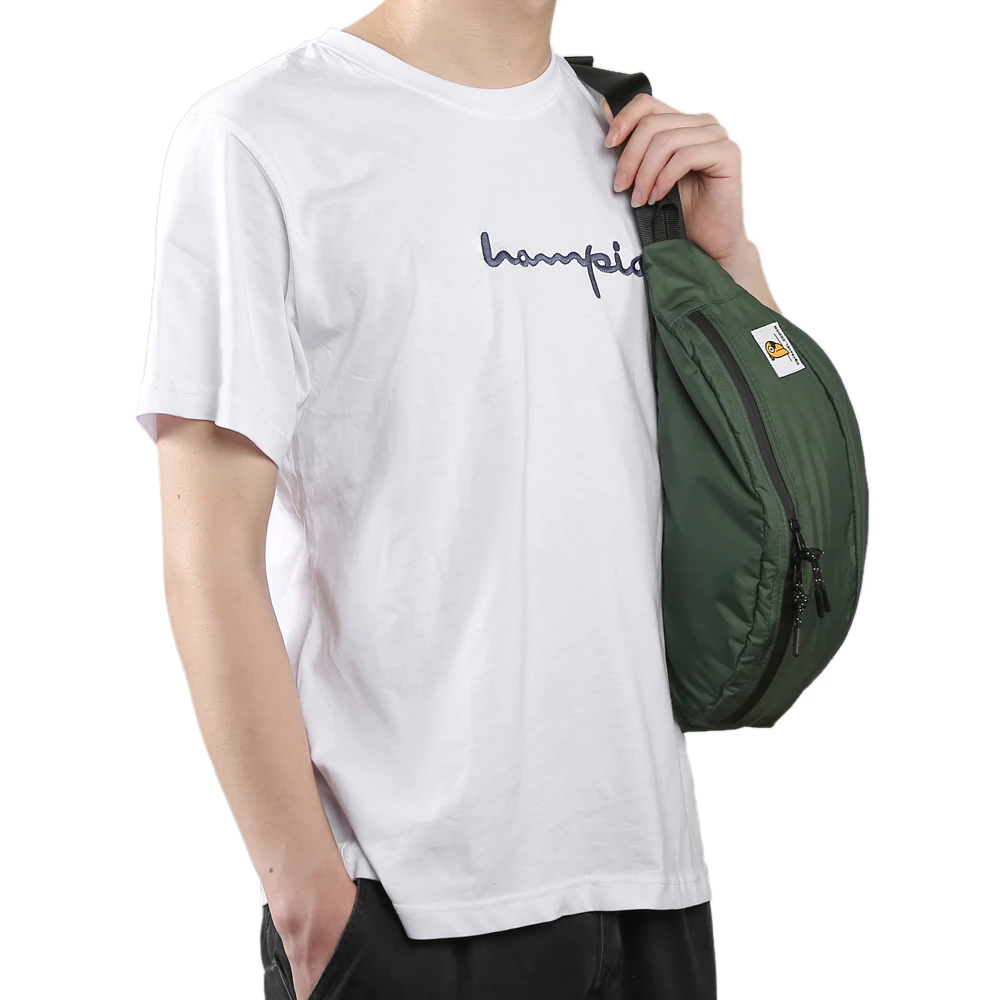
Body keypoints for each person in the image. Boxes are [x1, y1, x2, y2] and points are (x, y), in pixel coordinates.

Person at [136, 2, 779, 997]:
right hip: (409, 906)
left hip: (649, 881)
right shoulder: (263, 136)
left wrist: (731, 268)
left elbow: (766, 507)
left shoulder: (627, 141)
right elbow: (208, 557)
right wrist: (314, 911)